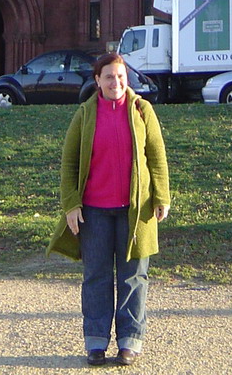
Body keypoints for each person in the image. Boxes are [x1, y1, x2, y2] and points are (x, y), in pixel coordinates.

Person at [48, 53, 170, 367]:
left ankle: (130, 341)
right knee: (96, 278)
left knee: (133, 278)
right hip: (94, 212)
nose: (115, 83)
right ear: (97, 81)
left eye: (120, 77)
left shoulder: (143, 110)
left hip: (134, 211)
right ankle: (96, 341)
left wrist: (161, 197)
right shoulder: (85, 114)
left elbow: (156, 157)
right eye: (109, 77)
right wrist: (71, 205)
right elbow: (69, 163)